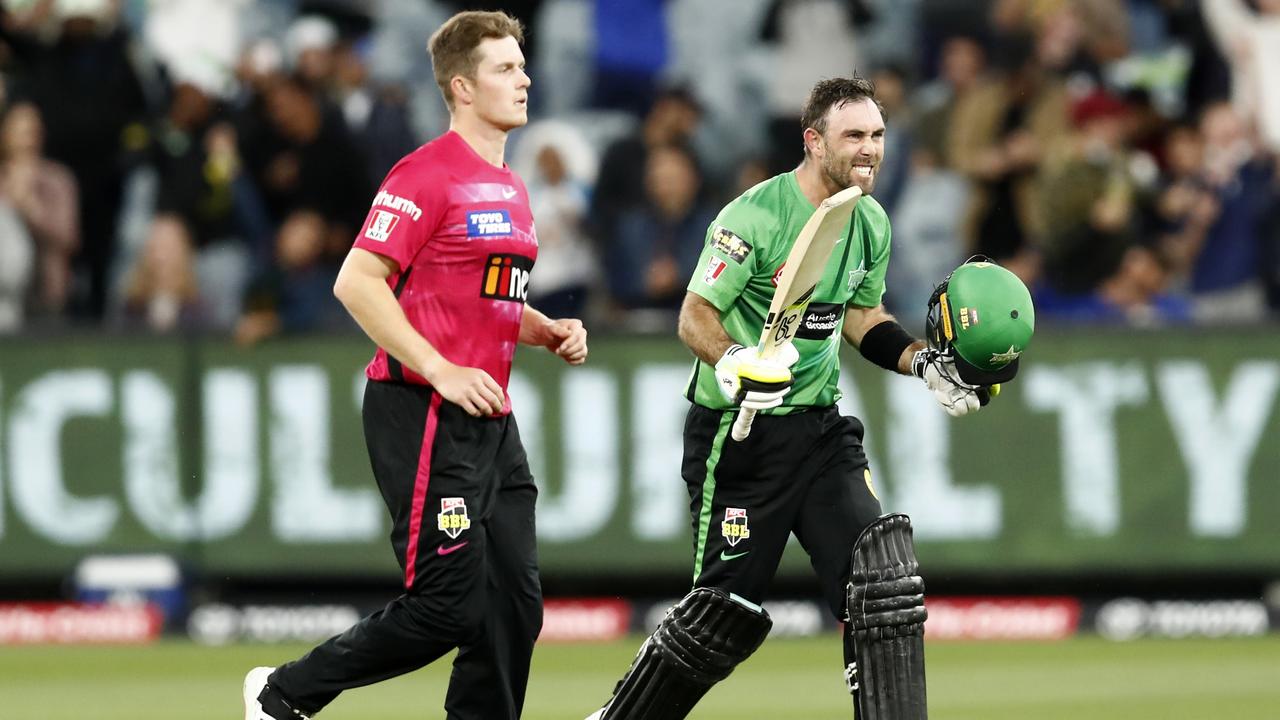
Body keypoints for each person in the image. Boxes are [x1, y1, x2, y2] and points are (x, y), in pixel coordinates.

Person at [586, 75, 1033, 720]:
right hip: (738, 437)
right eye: (854, 136)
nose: (870, 149)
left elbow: (860, 316)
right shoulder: (754, 216)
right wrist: (736, 360)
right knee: (722, 619)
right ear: (814, 141)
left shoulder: (868, 220)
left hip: (819, 432)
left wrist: (923, 363)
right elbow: (694, 317)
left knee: (883, 582)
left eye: (878, 135)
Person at [242, 11, 588, 720]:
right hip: (424, 409)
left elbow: (486, 302)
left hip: (489, 415)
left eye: (522, 65)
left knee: (514, 608)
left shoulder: (512, 189)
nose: (524, 78)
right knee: (447, 607)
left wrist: (543, 329)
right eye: (504, 68)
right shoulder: (426, 173)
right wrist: (440, 369)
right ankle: (282, 694)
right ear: (461, 87)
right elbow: (357, 282)